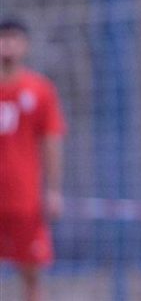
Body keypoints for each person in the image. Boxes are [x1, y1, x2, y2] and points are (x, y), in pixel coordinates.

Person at [0, 18, 66, 301]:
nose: (7, 45)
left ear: (25, 45)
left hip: (24, 201)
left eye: (14, 38)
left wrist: (53, 190)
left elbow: (51, 141)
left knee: (31, 277)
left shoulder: (39, 90)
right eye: (3, 38)